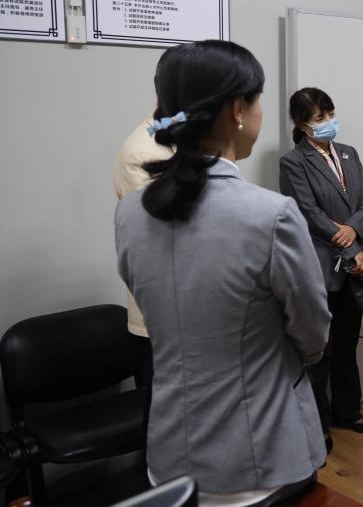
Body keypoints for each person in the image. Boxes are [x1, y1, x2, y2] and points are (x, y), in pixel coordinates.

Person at [115, 40, 330, 505]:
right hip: (255, 454)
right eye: (258, 100)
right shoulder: (270, 214)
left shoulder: (130, 213)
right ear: (238, 109)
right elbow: (312, 328)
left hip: (170, 449)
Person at [279, 87, 363, 440]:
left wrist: (353, 230)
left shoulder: (349, 153)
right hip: (320, 268)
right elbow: (308, 213)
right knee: (320, 351)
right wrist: (350, 246)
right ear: (301, 124)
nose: (329, 122)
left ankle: (348, 411)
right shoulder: (293, 162)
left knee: (348, 344)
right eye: (319, 118)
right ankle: (317, 428)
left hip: (354, 267)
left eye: (331, 115)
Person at [113, 109, 174, 425]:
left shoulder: (192, 139)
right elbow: (164, 232)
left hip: (198, 308)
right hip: (164, 311)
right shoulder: (142, 151)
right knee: (166, 419)